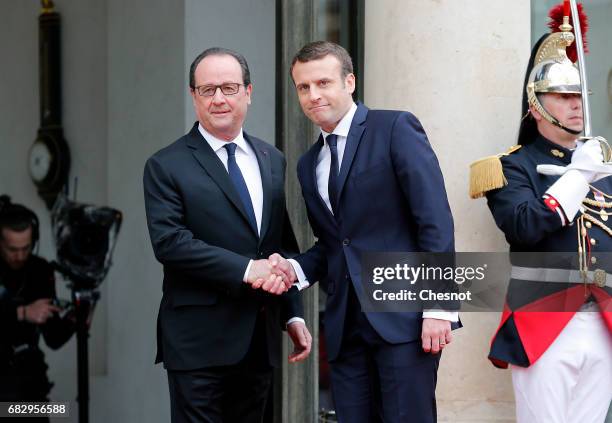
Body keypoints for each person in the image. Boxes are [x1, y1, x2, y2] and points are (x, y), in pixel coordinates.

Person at [264, 41, 459, 423]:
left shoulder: (395, 127)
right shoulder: (308, 164)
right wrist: (295, 271)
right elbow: (335, 244)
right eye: (303, 87)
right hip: (344, 329)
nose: (313, 95)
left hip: (404, 320)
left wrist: (439, 308)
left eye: (323, 82)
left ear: (349, 81)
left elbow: (434, 220)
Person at [143, 47, 311, 423]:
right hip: (197, 343)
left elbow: (280, 244)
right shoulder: (166, 165)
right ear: (193, 96)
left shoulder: (272, 159)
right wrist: (246, 269)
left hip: (259, 339)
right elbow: (170, 243)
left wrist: (293, 316)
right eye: (207, 90)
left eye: (229, 88)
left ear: (248, 93)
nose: (219, 98)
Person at [470, 6, 612, 421]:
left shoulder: (603, 165)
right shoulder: (510, 166)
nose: (575, 105)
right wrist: (578, 175)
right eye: (563, 97)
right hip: (544, 317)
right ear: (536, 107)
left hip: (603, 318)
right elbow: (525, 226)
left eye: (578, 96)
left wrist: (590, 167)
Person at [0, 195, 75, 422]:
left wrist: (75, 318)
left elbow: (53, 338)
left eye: (26, 248)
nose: (20, 256)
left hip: (30, 381)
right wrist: (22, 313)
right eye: (12, 249)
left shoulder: (39, 270)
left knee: (59, 410)